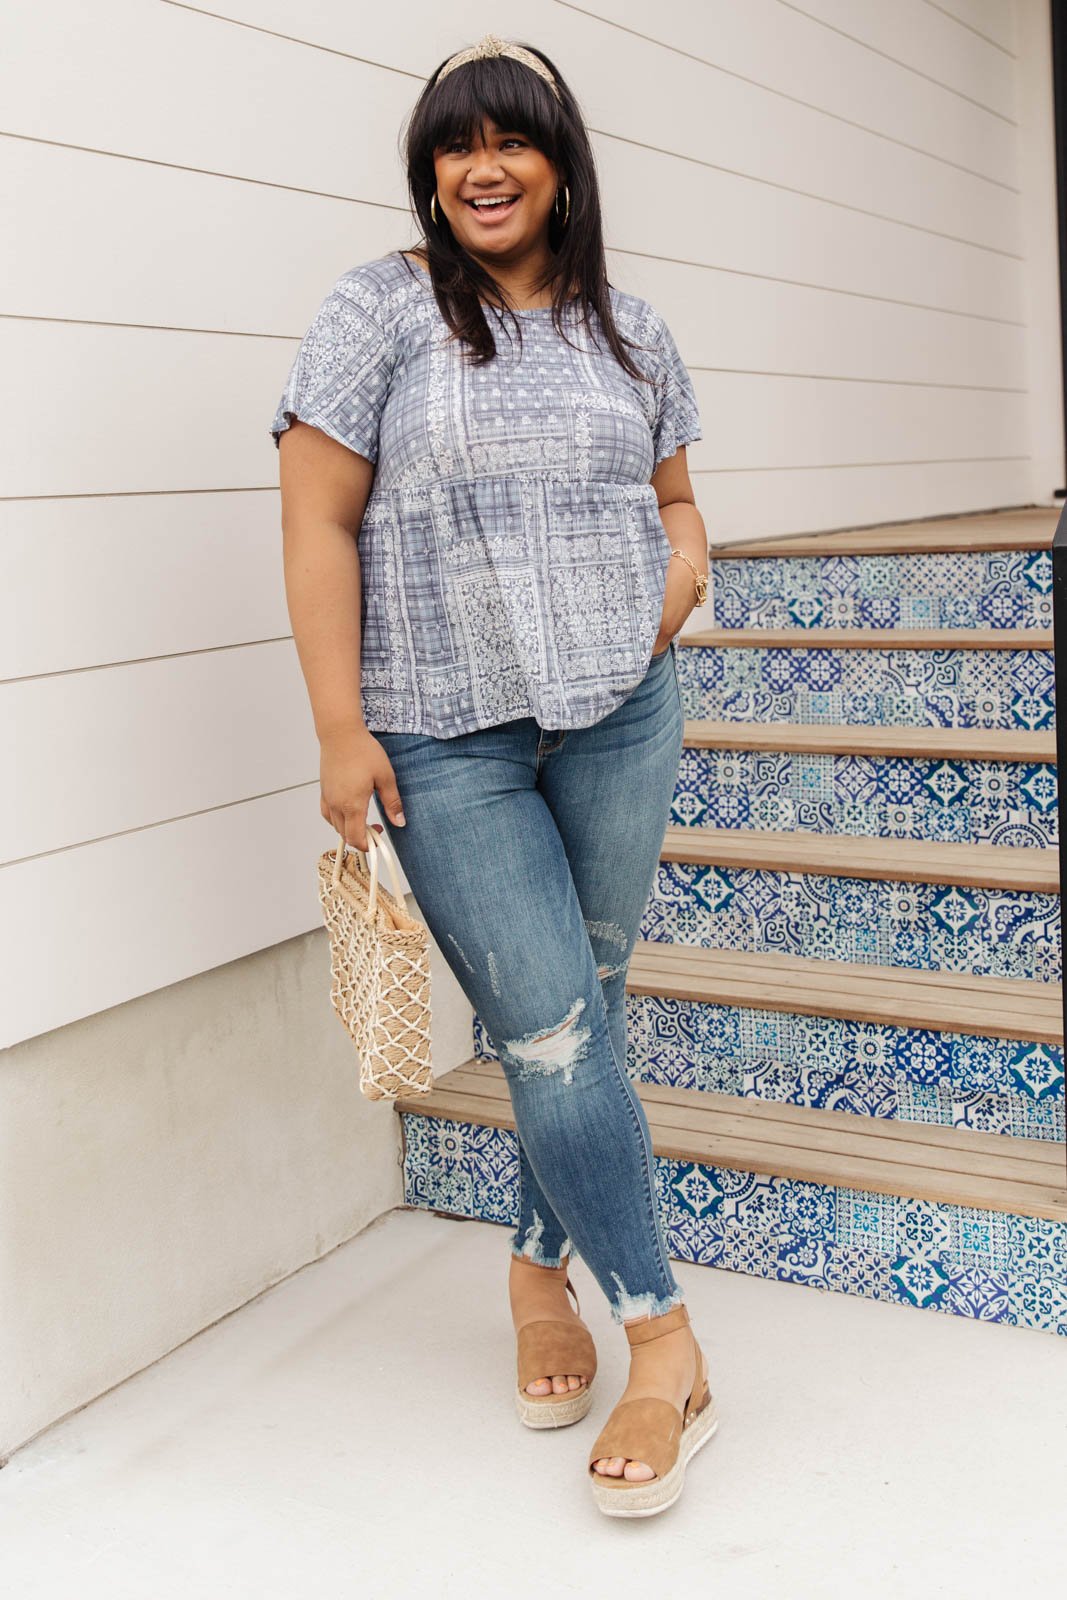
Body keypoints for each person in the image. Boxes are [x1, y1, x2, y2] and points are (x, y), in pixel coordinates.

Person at [270, 33, 716, 1518]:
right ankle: (665, 1338)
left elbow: (676, 498)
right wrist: (342, 728)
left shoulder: (634, 330)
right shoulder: (378, 310)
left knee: (583, 1007)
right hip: (442, 732)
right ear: (430, 171)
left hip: (618, 713)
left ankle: (538, 1272)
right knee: (544, 1032)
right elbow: (319, 523)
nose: (483, 165)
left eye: (510, 139)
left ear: (560, 161)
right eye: (454, 144)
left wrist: (682, 573)